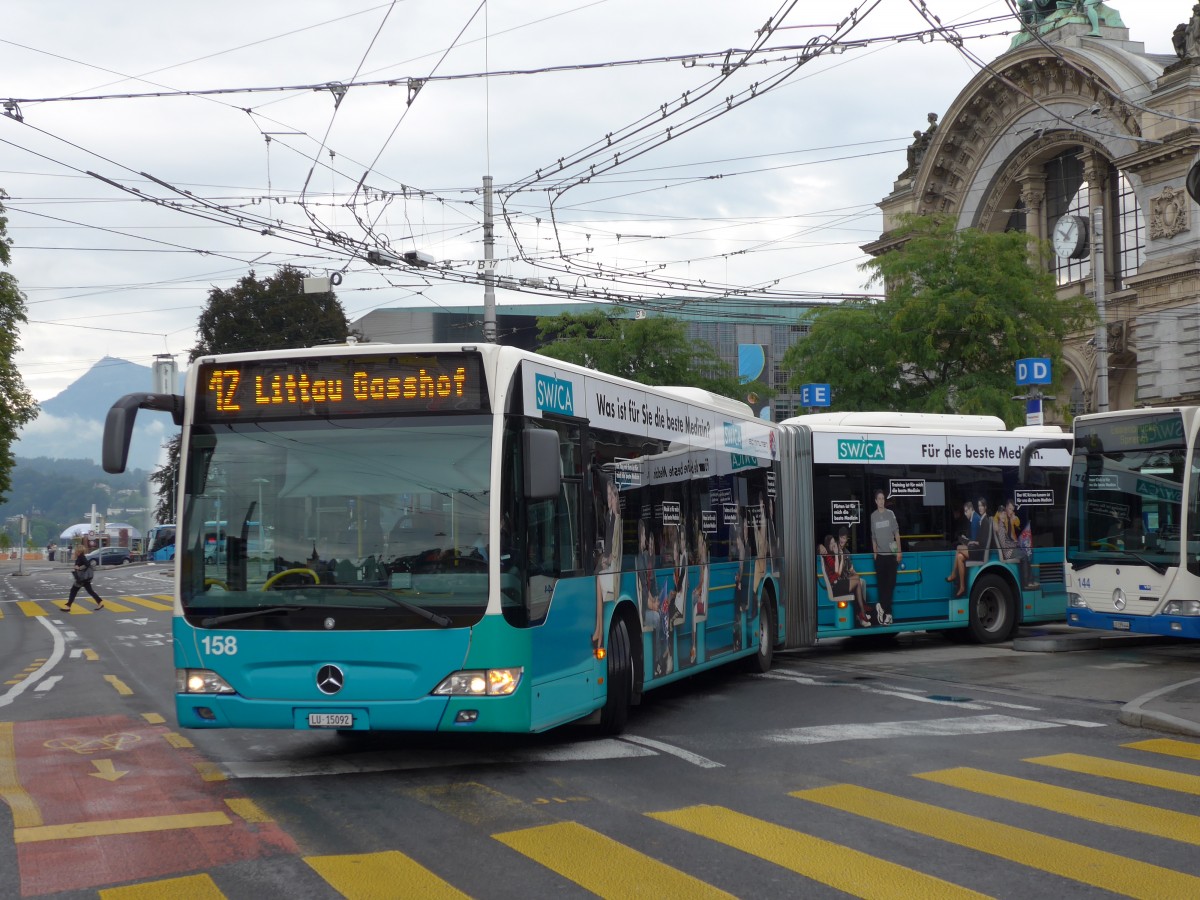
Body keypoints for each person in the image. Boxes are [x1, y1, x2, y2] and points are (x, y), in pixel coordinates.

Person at [870, 489, 901, 625]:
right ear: (876, 501)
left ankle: (881, 607)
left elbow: (897, 533)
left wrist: (899, 552)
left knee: (890, 585)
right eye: (879, 499)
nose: (881, 501)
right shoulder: (873, 516)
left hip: (891, 556)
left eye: (883, 499)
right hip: (880, 558)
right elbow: (873, 536)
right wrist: (875, 553)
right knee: (882, 587)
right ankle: (888, 614)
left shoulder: (890, 514)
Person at [995, 498, 1037, 590]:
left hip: (1009, 549)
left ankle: (1030, 580)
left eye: (1004, 514)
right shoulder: (1000, 526)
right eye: (1002, 514)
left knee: (1024, 553)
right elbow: (1004, 545)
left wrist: (1015, 543)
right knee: (1024, 556)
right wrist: (1014, 545)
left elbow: (1017, 525)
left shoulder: (1005, 522)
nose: (1005, 515)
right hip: (1007, 552)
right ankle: (1026, 583)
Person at [835, 526, 871, 627]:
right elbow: (837, 573)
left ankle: (860, 613)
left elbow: (851, 569)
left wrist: (855, 574)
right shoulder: (835, 550)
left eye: (844, 538)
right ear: (838, 537)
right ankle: (862, 612)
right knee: (857, 582)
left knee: (861, 581)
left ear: (847, 539)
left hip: (846, 578)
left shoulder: (847, 552)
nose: (842, 540)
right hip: (839, 581)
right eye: (841, 537)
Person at [946, 499, 979, 595]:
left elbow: (974, 541)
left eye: (966, 511)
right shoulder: (973, 518)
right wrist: (966, 539)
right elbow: (973, 538)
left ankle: (954, 574)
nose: (965, 514)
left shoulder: (975, 520)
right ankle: (962, 587)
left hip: (978, 551)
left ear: (971, 509)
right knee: (960, 557)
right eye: (964, 511)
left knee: (958, 548)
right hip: (975, 548)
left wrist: (966, 541)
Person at [66, 546, 103, 610]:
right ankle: (100, 603)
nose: (75, 551)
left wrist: (79, 568)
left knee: (73, 591)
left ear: (79, 551)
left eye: (76, 550)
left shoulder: (81, 557)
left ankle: (68, 607)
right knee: (90, 591)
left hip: (81, 578)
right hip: (84, 579)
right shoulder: (80, 557)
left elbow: (87, 564)